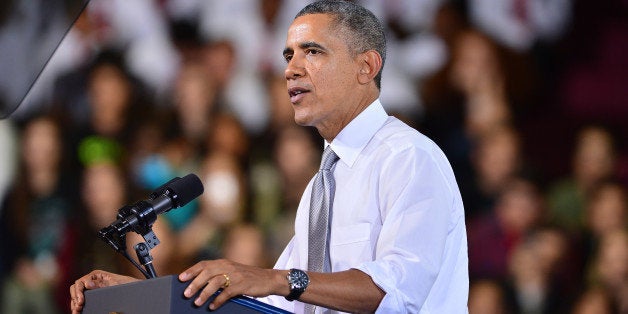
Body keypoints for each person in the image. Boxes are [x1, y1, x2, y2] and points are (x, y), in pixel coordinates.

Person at [70, 1, 469, 313]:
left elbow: (397, 293)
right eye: (287, 55)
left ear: (366, 66)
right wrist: (141, 295)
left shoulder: (408, 158)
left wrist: (275, 278)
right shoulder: (322, 186)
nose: (291, 70)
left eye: (312, 52)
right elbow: (268, 306)